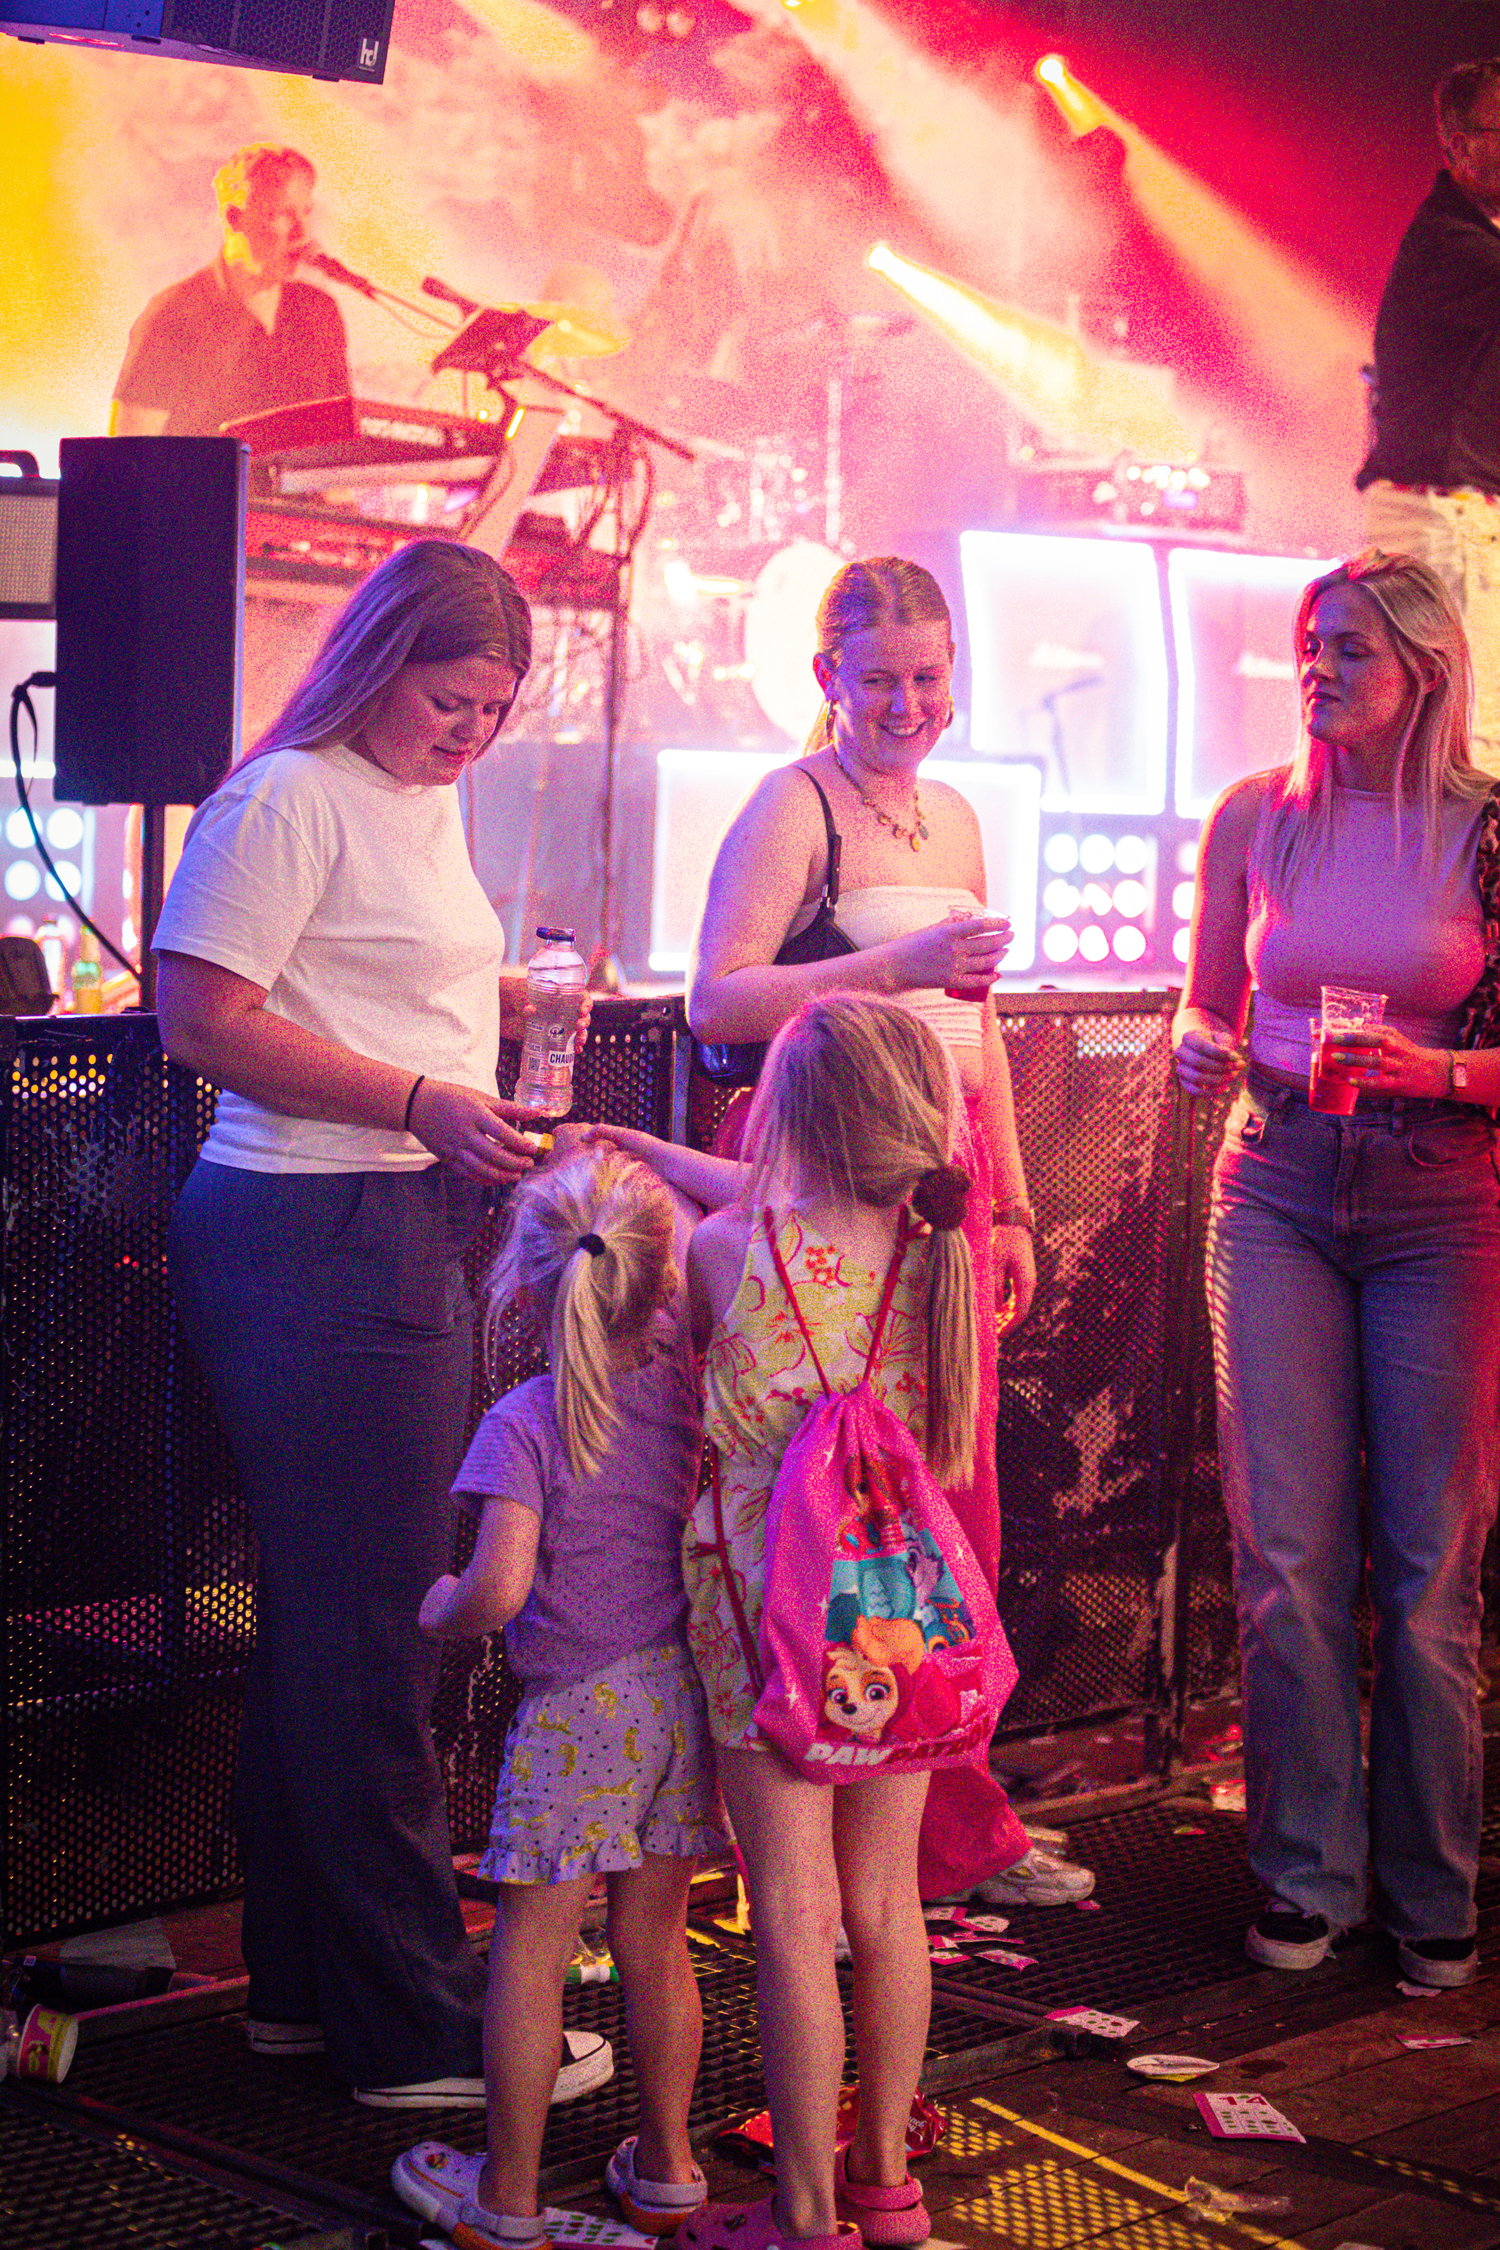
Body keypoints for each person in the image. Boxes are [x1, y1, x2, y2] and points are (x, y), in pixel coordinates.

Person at [155, 539, 610, 2106]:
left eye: (496, 707)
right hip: (311, 1224)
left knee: (334, 1626)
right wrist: (426, 1097)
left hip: (385, 1218)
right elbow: (199, 1015)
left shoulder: (420, 795)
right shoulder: (287, 795)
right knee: (380, 1640)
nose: (474, 729)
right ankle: (421, 2032)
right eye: (452, 697)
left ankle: (303, 1990)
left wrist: (474, 1073)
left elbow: (374, 996)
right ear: (379, 661)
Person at [688, 555, 1091, 1912]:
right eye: (883, 679)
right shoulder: (792, 803)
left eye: (930, 677)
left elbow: (977, 1033)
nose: (911, 701)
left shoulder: (959, 815)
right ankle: (839, 1824)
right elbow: (719, 998)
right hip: (818, 1168)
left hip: (944, 1176)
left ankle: (943, 1817)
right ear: (829, 680)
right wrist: (893, 969)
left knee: (950, 1498)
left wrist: (1017, 1199)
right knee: (827, 1483)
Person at [1173, 549, 1500, 1991]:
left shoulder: (1490, 831)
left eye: (1350, 647)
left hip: (1445, 1199)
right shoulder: (1254, 816)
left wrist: (1437, 1067)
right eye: (1310, 642)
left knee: (1429, 1568)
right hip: (1279, 1183)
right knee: (1287, 1551)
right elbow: (1207, 998)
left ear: (1425, 669)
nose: (1317, 667)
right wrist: (1196, 1042)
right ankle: (1311, 1876)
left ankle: (1435, 1887)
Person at [676, 991, 998, 2250]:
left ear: (786, 1115)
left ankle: (804, 2213)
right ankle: (888, 2187)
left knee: (794, 1918)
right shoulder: (942, 1261)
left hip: (763, 1613)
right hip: (892, 1618)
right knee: (886, 1908)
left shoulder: (725, 1252)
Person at [394, 1145, 729, 2248]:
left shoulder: (528, 1423)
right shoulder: (690, 1397)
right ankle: (670, 2168)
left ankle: (510, 2197)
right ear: (664, 1283)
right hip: (682, 1706)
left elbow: (495, 1591)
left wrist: (436, 1600)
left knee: (532, 1958)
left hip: (576, 1717)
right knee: (658, 1939)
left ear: (530, 1291)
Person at [1357, 58, 1500, 772]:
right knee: (1460, 745)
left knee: (1472, 745)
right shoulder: (1453, 246)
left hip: (1465, 521)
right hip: (1441, 522)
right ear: (1458, 145)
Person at [110, 143, 350, 439]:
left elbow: (338, 445)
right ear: (234, 218)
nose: (302, 232)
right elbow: (128, 456)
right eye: (282, 214)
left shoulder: (319, 313)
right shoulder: (173, 317)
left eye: (306, 212)